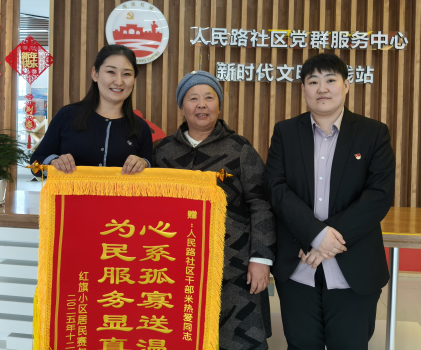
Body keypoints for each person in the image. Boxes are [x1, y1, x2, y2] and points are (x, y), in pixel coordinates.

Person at [263, 53, 396, 350]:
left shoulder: (373, 133)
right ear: (303, 89)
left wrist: (325, 239)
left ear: (346, 85)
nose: (322, 88)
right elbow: (275, 187)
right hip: (298, 267)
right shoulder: (285, 132)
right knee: (301, 344)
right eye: (313, 82)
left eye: (330, 80)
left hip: (354, 266)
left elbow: (379, 195)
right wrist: (315, 234)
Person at [153, 70, 276, 350]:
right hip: (176, 270)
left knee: (240, 342)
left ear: (218, 106)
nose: (201, 104)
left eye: (209, 97)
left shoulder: (239, 148)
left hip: (235, 270)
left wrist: (261, 259)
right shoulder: (162, 152)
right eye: (193, 98)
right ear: (182, 107)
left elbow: (262, 205)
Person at [30, 44, 153, 174]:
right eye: (111, 72)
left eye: (127, 74)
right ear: (95, 74)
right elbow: (35, 165)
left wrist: (144, 164)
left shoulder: (141, 128)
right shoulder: (66, 116)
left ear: (134, 80)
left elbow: (151, 176)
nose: (119, 81)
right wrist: (53, 162)